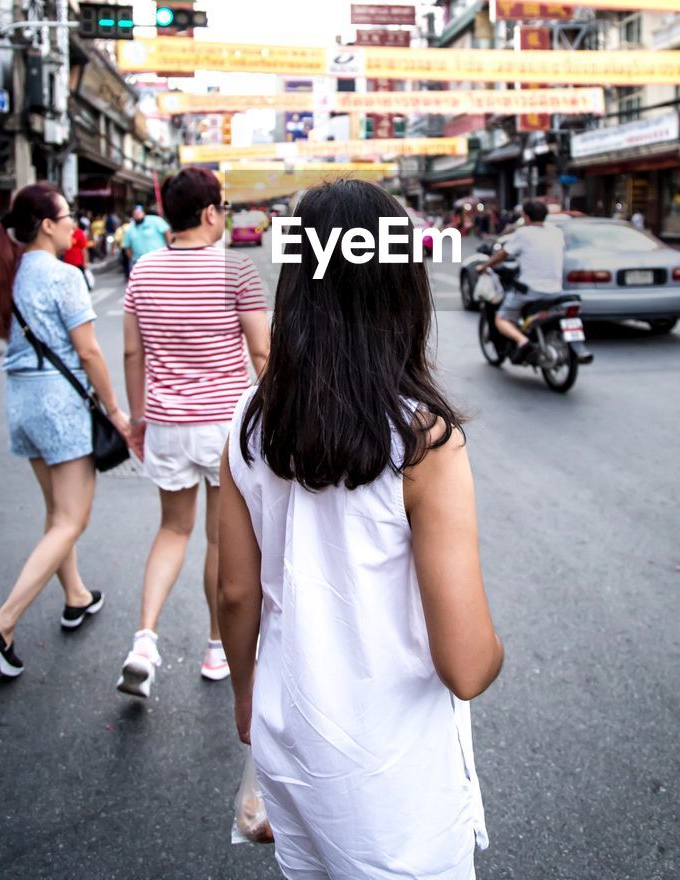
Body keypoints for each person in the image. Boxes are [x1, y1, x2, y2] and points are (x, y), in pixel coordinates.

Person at [218, 178, 502, 878]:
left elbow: (232, 592)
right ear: (399, 285)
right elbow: (466, 665)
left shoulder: (251, 420)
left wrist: (247, 694)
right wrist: (497, 650)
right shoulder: (421, 438)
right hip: (393, 779)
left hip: (291, 745)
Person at [0, 183, 130, 679]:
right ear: (46, 225)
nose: (74, 223)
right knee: (70, 520)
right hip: (59, 405)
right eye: (67, 215)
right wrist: (116, 411)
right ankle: (1, 624)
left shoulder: (9, 272)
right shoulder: (62, 275)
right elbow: (89, 351)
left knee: (57, 514)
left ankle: (76, 596)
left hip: (21, 401)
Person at [118, 168, 269, 698]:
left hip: (165, 422)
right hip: (224, 428)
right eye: (223, 209)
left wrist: (138, 419)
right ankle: (215, 649)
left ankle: (144, 642)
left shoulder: (143, 271)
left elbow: (133, 353)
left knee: (171, 531)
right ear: (210, 213)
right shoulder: (236, 270)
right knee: (217, 539)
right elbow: (263, 352)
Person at [479, 198, 565, 362]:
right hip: (556, 290)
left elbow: (503, 254)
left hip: (532, 291)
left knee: (501, 318)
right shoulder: (556, 232)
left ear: (526, 216)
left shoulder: (523, 233)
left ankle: (522, 340)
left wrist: (484, 266)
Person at [123, 203, 170, 270]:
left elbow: (167, 232)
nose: (137, 215)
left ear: (143, 212)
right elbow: (127, 246)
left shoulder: (155, 220)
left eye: (139, 212)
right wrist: (132, 259)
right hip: (141, 262)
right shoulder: (130, 228)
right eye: (135, 213)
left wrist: (169, 247)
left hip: (159, 259)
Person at [63, 216, 90, 287]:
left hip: (78, 261)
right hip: (68, 261)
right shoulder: (67, 233)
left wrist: (85, 261)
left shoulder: (80, 233)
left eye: (73, 222)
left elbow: (84, 249)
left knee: (81, 277)